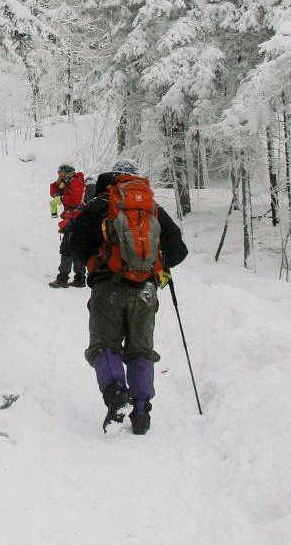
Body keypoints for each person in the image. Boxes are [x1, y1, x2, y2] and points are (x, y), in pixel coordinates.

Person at [66, 159, 188, 435]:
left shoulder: (99, 205)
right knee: (140, 349)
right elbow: (179, 251)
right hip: (145, 291)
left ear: (112, 178)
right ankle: (142, 411)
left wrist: (93, 262)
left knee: (104, 345)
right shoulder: (152, 208)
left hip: (107, 289)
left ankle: (117, 396)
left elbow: (74, 244)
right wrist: (155, 263)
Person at [48, 163, 87, 288]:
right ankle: (80, 279)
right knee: (76, 248)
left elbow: (75, 201)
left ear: (66, 171)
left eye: (60, 171)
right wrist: (57, 183)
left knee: (66, 248)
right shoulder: (67, 181)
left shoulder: (75, 181)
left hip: (76, 220)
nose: (58, 173)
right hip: (74, 219)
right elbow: (54, 195)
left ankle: (62, 279)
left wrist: (63, 199)